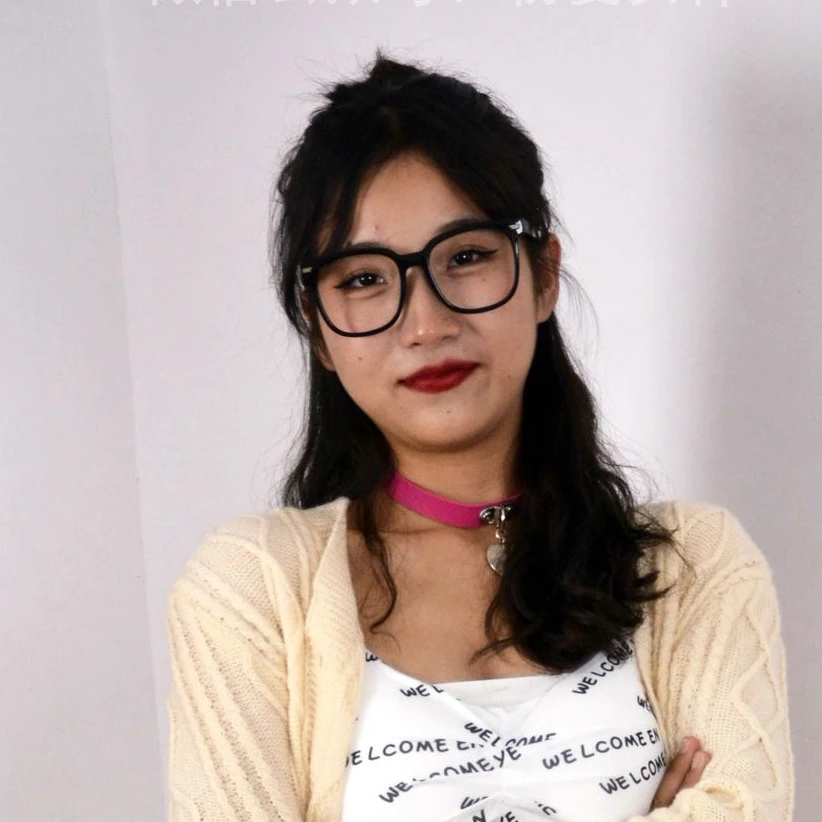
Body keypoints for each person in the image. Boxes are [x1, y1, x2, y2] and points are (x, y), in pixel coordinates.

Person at [164, 50, 794, 822]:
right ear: (318, 327)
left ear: (543, 275)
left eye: (465, 257)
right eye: (363, 278)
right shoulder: (249, 592)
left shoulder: (695, 566)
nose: (425, 323)